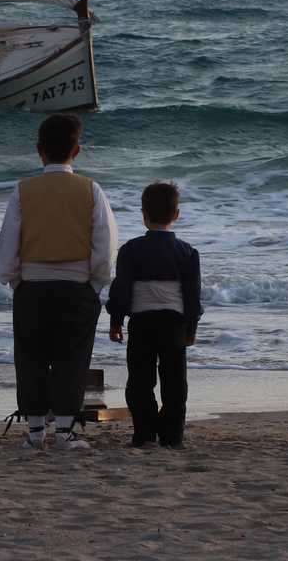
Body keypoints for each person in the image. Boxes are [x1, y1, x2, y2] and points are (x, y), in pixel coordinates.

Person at [0, 112, 117, 452]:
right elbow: (105, 247)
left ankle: (34, 432)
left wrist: (14, 280)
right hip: (77, 287)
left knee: (30, 357)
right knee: (72, 358)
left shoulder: (23, 191)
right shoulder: (91, 190)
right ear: (77, 151)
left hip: (32, 287)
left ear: (39, 151)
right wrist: (95, 283)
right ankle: (64, 431)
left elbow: (8, 246)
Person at [108, 182, 202, 448]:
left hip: (142, 322)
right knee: (174, 383)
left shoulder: (130, 250)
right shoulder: (187, 252)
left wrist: (116, 321)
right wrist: (191, 328)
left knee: (140, 381)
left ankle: (145, 434)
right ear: (176, 215)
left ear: (143, 214)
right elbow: (192, 296)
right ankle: (172, 437)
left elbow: (122, 290)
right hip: (174, 323)